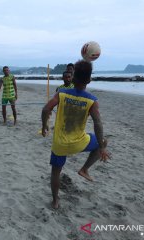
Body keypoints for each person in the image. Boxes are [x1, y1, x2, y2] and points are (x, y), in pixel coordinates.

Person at [41, 60, 111, 209]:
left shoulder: (61, 93)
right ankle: (84, 169)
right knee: (103, 142)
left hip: (59, 144)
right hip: (79, 142)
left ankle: (55, 201)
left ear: (72, 77)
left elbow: (45, 109)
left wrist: (44, 126)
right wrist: (102, 148)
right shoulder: (91, 100)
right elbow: (98, 123)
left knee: (55, 172)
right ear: (89, 80)